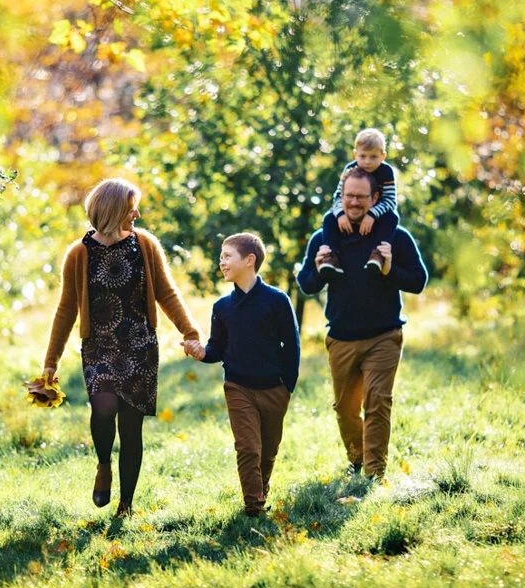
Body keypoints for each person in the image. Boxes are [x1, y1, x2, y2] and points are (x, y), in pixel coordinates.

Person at [42, 178, 201, 518]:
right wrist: (51, 361)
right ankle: (103, 464)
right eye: (132, 209)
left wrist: (189, 332)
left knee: (131, 429)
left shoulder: (144, 245)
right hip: (98, 348)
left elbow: (166, 293)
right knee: (103, 407)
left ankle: (125, 505)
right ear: (113, 211)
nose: (137, 215)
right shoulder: (79, 254)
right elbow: (66, 310)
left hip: (139, 347)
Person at [296, 166, 427, 479]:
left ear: (376, 198)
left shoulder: (395, 237)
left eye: (361, 197)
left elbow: (418, 281)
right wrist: (318, 269)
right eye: (349, 196)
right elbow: (306, 284)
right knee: (345, 409)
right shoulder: (324, 237)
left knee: (378, 402)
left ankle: (374, 473)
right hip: (341, 337)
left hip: (384, 335)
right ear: (340, 196)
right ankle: (357, 461)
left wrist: (390, 269)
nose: (354, 202)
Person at [184, 233, 300, 517]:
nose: (221, 262)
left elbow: (292, 345)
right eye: (220, 257)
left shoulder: (277, 300)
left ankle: (260, 490)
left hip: (274, 388)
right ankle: (254, 507)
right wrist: (201, 353)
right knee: (248, 448)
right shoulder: (222, 307)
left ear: (249, 260)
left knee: (267, 451)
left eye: (227, 256)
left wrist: (287, 386)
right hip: (238, 387)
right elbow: (217, 348)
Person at [319, 128, 400, 276]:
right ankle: (330, 256)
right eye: (363, 156)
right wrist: (340, 214)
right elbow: (338, 197)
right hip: (351, 215)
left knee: (391, 218)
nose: (367, 161)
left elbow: (390, 201)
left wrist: (372, 214)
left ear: (382, 156)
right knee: (329, 218)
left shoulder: (386, 172)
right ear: (355, 154)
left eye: (373, 157)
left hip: (378, 213)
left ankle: (378, 254)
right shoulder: (350, 169)